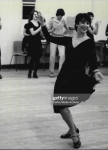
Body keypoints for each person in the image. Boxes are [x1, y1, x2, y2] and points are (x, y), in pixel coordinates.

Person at [39, 13, 104, 148]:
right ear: (77, 24)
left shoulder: (89, 41)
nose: (85, 25)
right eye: (83, 22)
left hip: (77, 76)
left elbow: (92, 61)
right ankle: (73, 128)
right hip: (64, 74)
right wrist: (43, 25)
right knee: (60, 104)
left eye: (88, 23)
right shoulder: (69, 39)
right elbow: (50, 37)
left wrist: (96, 71)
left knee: (62, 104)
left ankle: (74, 133)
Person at [48, 9, 69, 77]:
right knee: (52, 56)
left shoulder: (63, 21)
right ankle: (51, 72)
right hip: (53, 38)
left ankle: (60, 71)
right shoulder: (52, 20)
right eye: (60, 15)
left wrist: (63, 33)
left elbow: (67, 29)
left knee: (62, 55)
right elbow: (48, 31)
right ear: (57, 14)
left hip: (61, 38)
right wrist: (53, 30)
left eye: (62, 16)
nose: (61, 17)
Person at [27, 10, 43, 79]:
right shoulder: (30, 23)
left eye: (37, 14)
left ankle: (35, 73)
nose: (36, 15)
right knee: (33, 58)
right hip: (32, 43)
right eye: (34, 14)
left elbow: (41, 33)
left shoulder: (39, 23)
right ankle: (29, 72)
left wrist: (41, 28)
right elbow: (32, 33)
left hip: (38, 42)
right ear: (32, 15)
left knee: (37, 59)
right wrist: (40, 28)